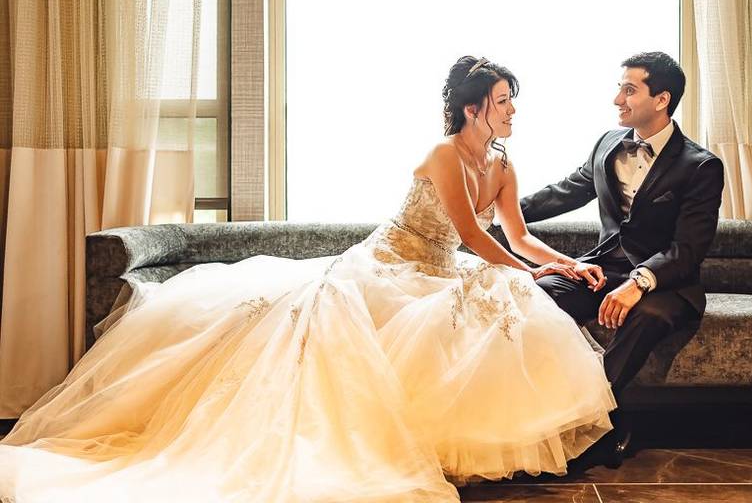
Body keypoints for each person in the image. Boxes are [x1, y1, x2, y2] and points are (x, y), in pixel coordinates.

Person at [0, 56, 615, 502]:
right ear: (473, 107)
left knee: (503, 298)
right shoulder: (444, 155)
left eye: (513, 101)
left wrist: (564, 263)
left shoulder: (502, 164)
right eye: (505, 101)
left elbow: (516, 233)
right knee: (486, 294)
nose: (513, 111)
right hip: (390, 266)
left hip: (438, 268)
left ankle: (476, 440)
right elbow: (477, 238)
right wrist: (531, 274)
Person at [520, 51, 724, 465]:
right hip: (603, 267)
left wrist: (639, 282)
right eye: (619, 89)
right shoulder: (608, 143)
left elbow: (688, 249)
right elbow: (567, 190)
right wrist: (498, 212)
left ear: (661, 99)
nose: (618, 99)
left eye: (629, 90)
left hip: (666, 283)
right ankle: (534, 411)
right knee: (538, 293)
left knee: (646, 317)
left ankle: (593, 424)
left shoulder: (700, 166)